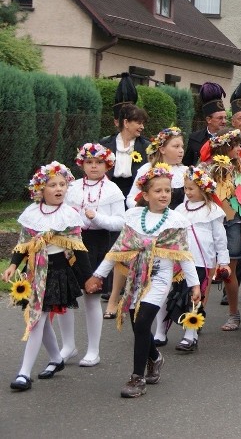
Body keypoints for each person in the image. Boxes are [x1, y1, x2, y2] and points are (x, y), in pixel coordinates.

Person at [84, 163, 200, 398]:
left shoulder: (176, 221)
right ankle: (155, 357)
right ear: (145, 195)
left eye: (167, 190)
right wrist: (98, 275)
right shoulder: (135, 217)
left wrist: (194, 284)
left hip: (159, 277)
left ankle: (137, 378)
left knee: (144, 319)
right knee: (138, 325)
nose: (164, 195)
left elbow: (184, 256)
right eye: (158, 191)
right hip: (136, 277)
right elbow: (118, 249)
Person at [4, 162, 91, 392]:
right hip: (34, 272)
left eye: (62, 184)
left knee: (37, 321)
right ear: (40, 189)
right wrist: (13, 266)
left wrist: (89, 277)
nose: (59, 188)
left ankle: (24, 373)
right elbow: (23, 245)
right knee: (39, 321)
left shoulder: (69, 215)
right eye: (52, 185)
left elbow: (79, 249)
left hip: (57, 275)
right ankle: (56, 358)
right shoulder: (32, 214)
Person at [113, 127, 186, 327]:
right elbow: (131, 198)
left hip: (173, 232)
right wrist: (141, 215)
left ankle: (162, 328)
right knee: (147, 279)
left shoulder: (186, 172)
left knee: (171, 280)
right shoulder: (146, 170)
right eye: (176, 146)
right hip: (147, 230)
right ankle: (134, 314)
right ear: (162, 148)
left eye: (182, 146)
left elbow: (189, 202)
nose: (181, 150)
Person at [61, 144, 125, 367]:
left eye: (99, 162)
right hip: (71, 243)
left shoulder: (113, 190)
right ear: (82, 165)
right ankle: (68, 345)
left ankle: (93, 350)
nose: (94, 166)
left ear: (107, 164)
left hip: (97, 243)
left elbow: (120, 221)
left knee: (92, 296)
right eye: (89, 162)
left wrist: (97, 218)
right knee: (65, 295)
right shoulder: (72, 187)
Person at [200, 128, 241, 331]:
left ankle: (234, 314)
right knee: (206, 271)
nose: (238, 149)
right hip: (207, 222)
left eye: (239, 145)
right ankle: (197, 315)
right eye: (234, 146)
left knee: (228, 271)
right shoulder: (205, 167)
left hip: (232, 222)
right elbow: (195, 191)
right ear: (224, 148)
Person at [171, 166, 229, 352]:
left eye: (191, 189)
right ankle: (190, 334)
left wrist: (224, 261)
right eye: (185, 189)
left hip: (202, 260)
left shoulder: (213, 210)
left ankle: (190, 334)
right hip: (182, 260)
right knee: (181, 294)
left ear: (203, 189)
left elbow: (220, 239)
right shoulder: (180, 209)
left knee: (196, 297)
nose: (187, 192)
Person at [100, 103, 150, 199]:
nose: (142, 127)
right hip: (108, 189)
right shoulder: (105, 144)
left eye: (143, 123)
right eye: (139, 123)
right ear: (126, 123)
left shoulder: (146, 146)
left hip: (134, 190)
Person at [183, 82, 228, 166]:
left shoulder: (230, 139)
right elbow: (187, 165)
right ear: (209, 119)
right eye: (220, 118)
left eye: (225, 117)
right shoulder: (194, 138)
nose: (224, 121)